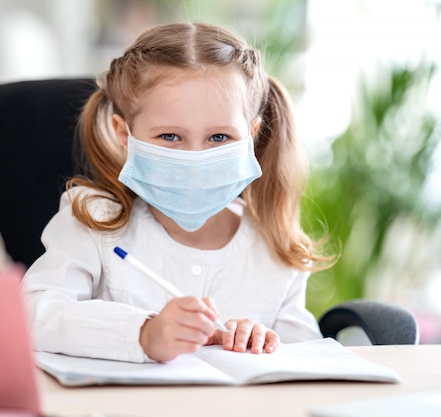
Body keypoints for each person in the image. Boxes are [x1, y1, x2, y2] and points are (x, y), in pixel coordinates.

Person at [22, 22, 331, 364]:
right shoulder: (93, 220)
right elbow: (33, 313)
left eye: (219, 138)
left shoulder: (275, 248)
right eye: (170, 136)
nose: (194, 158)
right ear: (125, 135)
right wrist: (143, 333)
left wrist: (264, 342)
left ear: (251, 137)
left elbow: (305, 360)